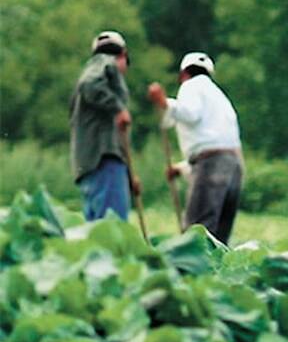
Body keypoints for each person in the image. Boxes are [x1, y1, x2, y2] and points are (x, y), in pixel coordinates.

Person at [148, 52, 243, 244]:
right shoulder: (218, 96)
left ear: (183, 74)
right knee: (219, 238)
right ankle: (217, 274)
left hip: (213, 165)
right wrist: (181, 169)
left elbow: (190, 114)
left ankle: (194, 274)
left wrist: (164, 103)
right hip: (235, 167)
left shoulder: (191, 86)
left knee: (198, 232)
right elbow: (216, 145)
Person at [70, 31, 140, 221]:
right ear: (123, 55)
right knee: (113, 229)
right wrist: (118, 108)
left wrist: (129, 176)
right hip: (105, 162)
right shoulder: (104, 63)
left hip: (90, 164)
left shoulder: (92, 69)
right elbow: (90, 84)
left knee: (96, 233)